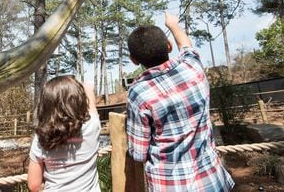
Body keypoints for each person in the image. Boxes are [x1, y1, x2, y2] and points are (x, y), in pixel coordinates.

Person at [126, 11, 235, 191]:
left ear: (134, 60)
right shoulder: (193, 67)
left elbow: (138, 152)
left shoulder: (138, 93)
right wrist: (173, 25)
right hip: (212, 180)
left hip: (170, 185)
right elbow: (186, 45)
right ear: (169, 46)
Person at [27, 75, 101, 192]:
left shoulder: (42, 137)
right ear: (79, 99)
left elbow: (34, 185)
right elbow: (91, 104)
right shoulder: (92, 127)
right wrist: (87, 89)